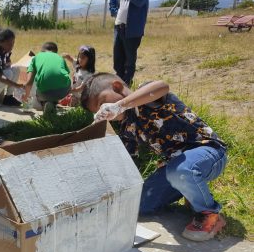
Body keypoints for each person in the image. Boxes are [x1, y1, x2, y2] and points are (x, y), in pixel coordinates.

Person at [81, 73, 227, 242]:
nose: (103, 110)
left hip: (208, 152)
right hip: (174, 166)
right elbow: (125, 163)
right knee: (140, 205)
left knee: (181, 171)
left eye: (102, 103)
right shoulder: (128, 126)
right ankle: (190, 192)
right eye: (98, 110)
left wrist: (120, 105)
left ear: (117, 87)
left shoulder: (147, 97)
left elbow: (161, 86)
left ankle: (210, 214)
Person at [109, 0, 151, 86]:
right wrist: (116, 12)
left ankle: (126, 84)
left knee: (129, 60)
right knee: (118, 58)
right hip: (118, 28)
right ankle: (119, 82)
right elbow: (112, 1)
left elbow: (139, 2)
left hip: (132, 29)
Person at [22, 42, 71, 116]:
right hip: (63, 91)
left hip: (44, 93)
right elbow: (66, 73)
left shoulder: (36, 58)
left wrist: (26, 96)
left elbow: (29, 83)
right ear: (55, 51)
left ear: (42, 50)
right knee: (61, 82)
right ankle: (53, 104)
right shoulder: (60, 57)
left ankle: (45, 104)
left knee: (40, 85)